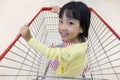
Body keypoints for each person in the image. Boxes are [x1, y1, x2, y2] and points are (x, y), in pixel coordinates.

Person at [20, 1, 91, 78]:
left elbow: (49, 53)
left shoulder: (71, 52)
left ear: (82, 28)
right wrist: (60, 12)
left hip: (68, 71)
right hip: (77, 63)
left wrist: (29, 39)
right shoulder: (81, 38)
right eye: (61, 21)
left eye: (70, 23)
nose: (63, 28)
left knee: (53, 59)